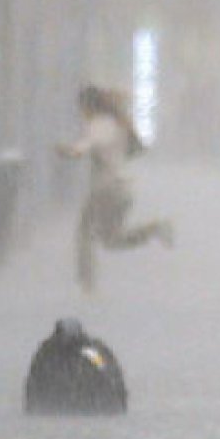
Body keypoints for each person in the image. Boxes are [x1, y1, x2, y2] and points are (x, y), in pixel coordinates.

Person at [57, 85, 172, 294]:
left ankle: (87, 284)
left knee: (84, 232)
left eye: (82, 108)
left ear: (89, 106)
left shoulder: (101, 124)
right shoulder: (117, 124)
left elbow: (88, 145)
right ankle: (154, 229)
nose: (81, 113)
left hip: (106, 189)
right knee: (111, 240)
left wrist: (68, 151)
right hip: (122, 189)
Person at [24, 318, 127, 415]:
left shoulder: (90, 351)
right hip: (63, 404)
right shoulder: (48, 353)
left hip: (86, 403)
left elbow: (106, 372)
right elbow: (36, 376)